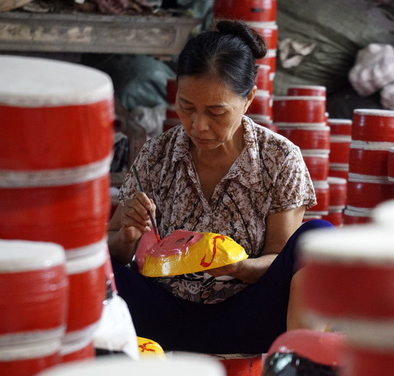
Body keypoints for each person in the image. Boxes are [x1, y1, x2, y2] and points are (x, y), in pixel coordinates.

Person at [107, 20, 333, 355]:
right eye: (186, 107)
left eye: (216, 112)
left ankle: (296, 370)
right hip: (161, 316)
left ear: (248, 100)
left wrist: (242, 269)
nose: (198, 125)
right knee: (82, 258)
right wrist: (126, 233)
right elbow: (114, 255)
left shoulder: (279, 159)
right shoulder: (157, 154)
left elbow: (279, 258)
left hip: (246, 318)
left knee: (319, 238)